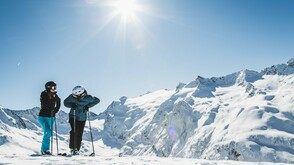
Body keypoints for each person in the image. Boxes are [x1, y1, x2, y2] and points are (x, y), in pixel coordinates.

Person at [64, 85, 100, 155]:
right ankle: (72, 148)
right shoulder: (71, 97)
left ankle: (77, 149)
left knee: (79, 133)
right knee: (74, 131)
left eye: (76, 95)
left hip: (82, 118)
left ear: (81, 93)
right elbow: (65, 103)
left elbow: (97, 100)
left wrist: (88, 106)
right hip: (73, 116)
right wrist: (71, 105)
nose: (74, 96)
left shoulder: (88, 98)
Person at [38, 81, 61, 155]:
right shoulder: (43, 94)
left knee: (49, 132)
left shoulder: (55, 95)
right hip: (43, 116)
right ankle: (44, 150)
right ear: (48, 87)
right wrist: (51, 108)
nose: (55, 89)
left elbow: (59, 101)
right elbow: (44, 103)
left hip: (51, 117)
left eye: (55, 87)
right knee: (47, 131)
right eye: (53, 87)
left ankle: (46, 150)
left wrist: (56, 109)